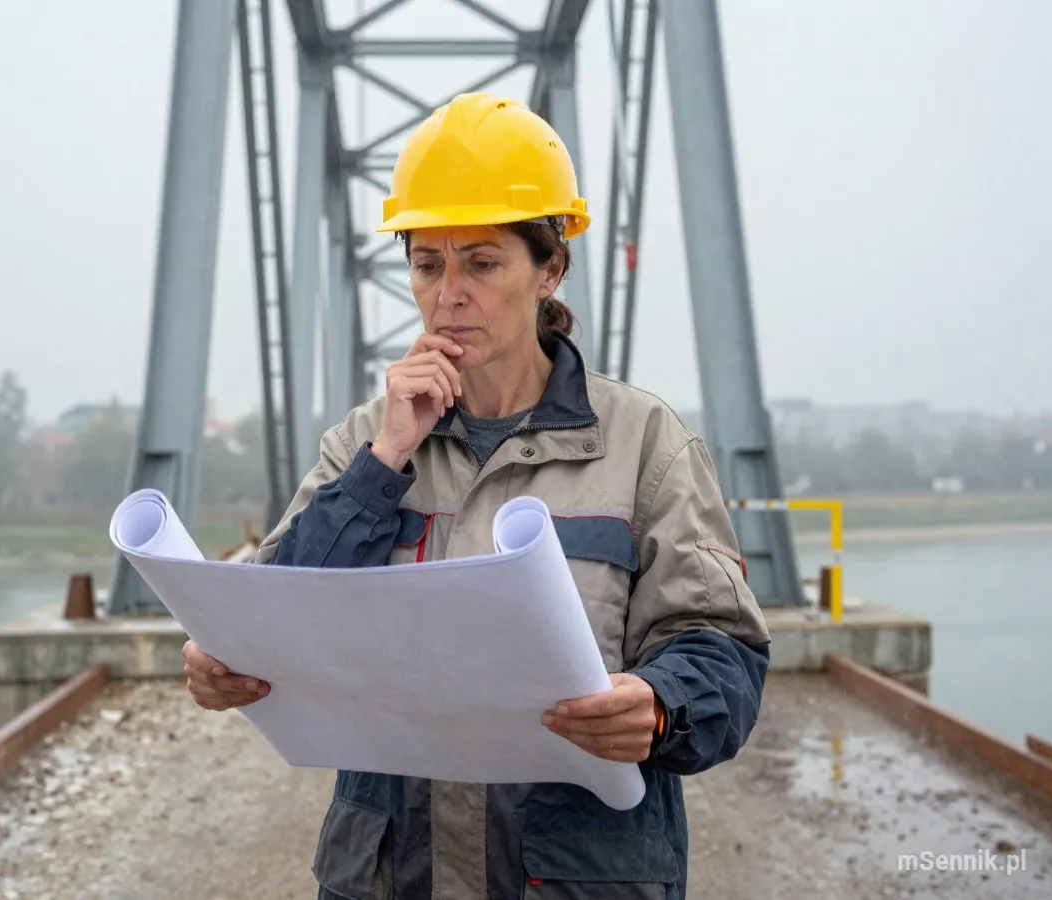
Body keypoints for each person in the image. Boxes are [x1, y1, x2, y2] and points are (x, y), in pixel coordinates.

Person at [182, 91, 770, 900]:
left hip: (574, 879)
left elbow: (725, 652)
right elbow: (273, 609)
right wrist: (385, 460)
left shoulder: (645, 443)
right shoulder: (364, 439)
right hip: (392, 877)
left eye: (482, 263)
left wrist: (663, 705)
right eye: (427, 264)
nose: (448, 293)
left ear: (549, 268)